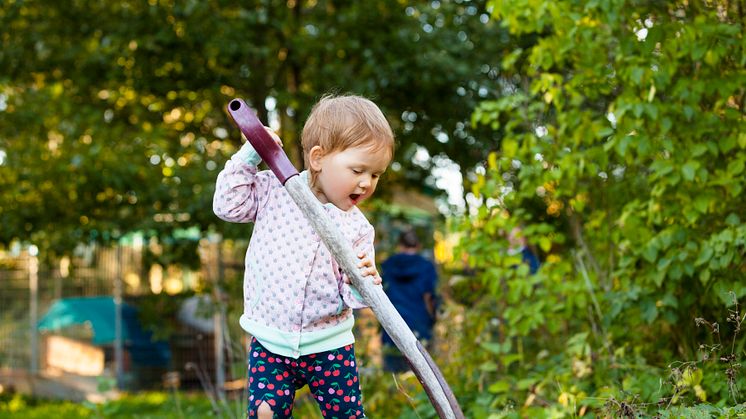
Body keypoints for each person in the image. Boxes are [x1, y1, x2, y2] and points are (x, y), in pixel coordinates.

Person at [213, 94, 394, 418]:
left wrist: (363, 282)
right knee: (266, 414)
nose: (366, 183)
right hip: (270, 342)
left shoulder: (357, 228)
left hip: (329, 345)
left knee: (346, 416)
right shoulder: (274, 191)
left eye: (376, 175)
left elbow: (351, 296)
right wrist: (251, 154)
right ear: (318, 157)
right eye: (358, 170)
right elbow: (227, 206)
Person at [380, 230, 438, 373]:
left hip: (392, 322)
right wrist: (433, 319)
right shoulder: (426, 266)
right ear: (418, 245)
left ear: (399, 245)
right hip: (419, 324)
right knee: (421, 373)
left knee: (393, 375)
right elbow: (428, 297)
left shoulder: (388, 265)